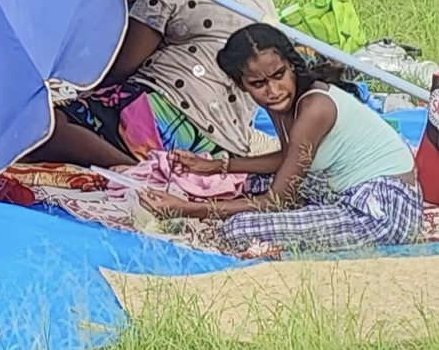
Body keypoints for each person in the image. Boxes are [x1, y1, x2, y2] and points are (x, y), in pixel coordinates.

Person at [138, 24, 422, 252]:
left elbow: (277, 201)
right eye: (258, 84)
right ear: (242, 85)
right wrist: (216, 167)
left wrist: (187, 209)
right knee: (254, 183)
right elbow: (289, 157)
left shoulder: (314, 109)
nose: (273, 90)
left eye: (279, 75)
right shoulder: (282, 103)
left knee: (238, 230)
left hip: (383, 208)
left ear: (293, 67)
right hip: (351, 189)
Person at [31, 0, 276, 169]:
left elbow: (121, 67)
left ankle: (141, 173)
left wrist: (80, 89)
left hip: (164, 116)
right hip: (226, 142)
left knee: (46, 129)